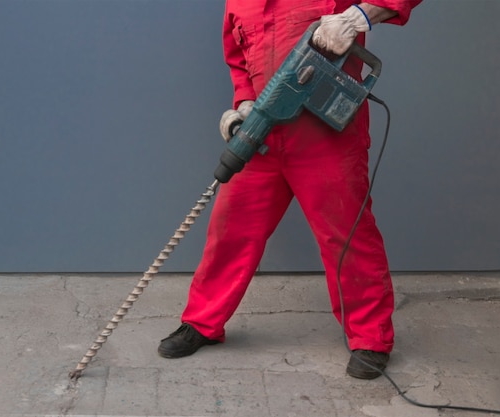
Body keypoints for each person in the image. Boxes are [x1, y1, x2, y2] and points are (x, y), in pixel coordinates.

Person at [158, 0, 421, 380]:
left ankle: (370, 338)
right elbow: (238, 58)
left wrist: (357, 17)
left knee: (346, 237)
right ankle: (202, 322)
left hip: (327, 136)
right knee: (229, 231)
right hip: (264, 134)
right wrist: (244, 103)